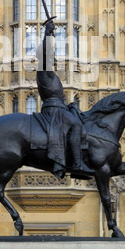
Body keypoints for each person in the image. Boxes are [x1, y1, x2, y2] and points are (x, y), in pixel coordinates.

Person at [36, 19, 93, 179]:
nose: (53, 58)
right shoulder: (43, 71)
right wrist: (47, 34)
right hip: (53, 111)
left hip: (59, 108)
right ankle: (76, 165)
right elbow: (45, 54)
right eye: (51, 56)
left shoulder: (51, 75)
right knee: (75, 125)